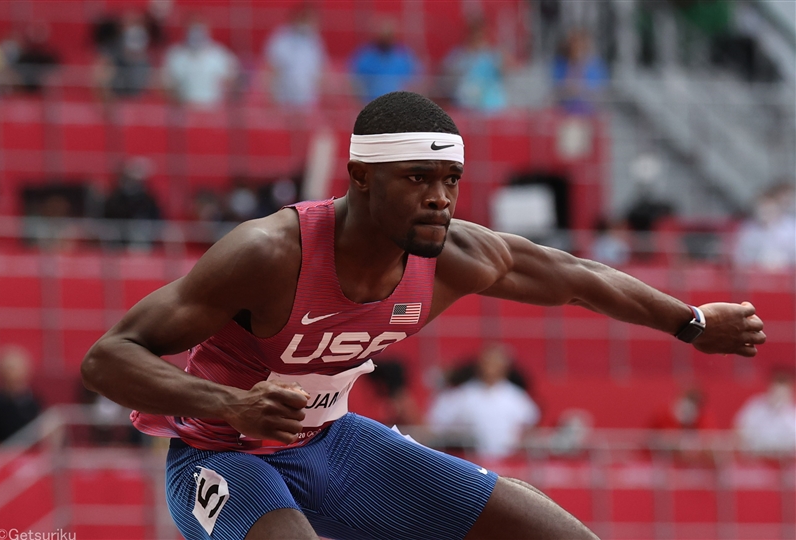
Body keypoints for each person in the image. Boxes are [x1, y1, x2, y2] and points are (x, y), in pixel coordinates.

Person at [81, 91, 765, 540]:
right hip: (222, 452)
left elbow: (577, 278)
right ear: (361, 178)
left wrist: (692, 323)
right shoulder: (268, 253)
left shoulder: (455, 252)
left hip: (333, 442)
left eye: (449, 181)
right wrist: (229, 403)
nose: (440, 199)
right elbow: (107, 357)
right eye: (417, 179)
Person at [428, 344, 540, 459]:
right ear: (479, 365)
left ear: (505, 367)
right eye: (488, 362)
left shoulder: (517, 397)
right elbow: (437, 424)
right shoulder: (462, 394)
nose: (491, 367)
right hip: (470, 460)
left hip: (508, 459)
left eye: (496, 363)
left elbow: (529, 424)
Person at [162, 18, 239, 107]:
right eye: (193, 29)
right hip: (185, 109)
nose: (196, 34)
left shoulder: (220, 55)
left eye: (199, 29)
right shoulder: (175, 55)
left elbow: (234, 81)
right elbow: (164, 85)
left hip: (213, 110)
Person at [263, 5, 326, 107]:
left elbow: (320, 71)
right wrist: (271, 96)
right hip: (283, 97)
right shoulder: (281, 39)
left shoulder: (315, 41)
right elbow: (271, 68)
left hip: (307, 100)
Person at [349, 17, 420, 103]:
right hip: (371, 104)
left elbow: (416, 81)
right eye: (383, 35)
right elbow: (353, 80)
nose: (386, 39)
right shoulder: (365, 56)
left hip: (398, 105)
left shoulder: (404, 56)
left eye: (388, 35)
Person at [734, 369, 796, 454]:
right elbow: (739, 430)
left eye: (783, 392)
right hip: (755, 458)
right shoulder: (755, 405)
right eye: (776, 391)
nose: (779, 395)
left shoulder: (792, 413)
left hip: (783, 460)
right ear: (770, 388)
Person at [0, 346, 42, 443]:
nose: (15, 374)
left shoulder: (34, 401)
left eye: (19, 368)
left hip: (30, 452)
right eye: (10, 369)